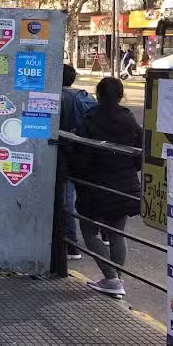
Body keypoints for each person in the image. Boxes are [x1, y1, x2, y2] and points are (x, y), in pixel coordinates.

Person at [73, 77, 142, 298]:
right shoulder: (130, 119)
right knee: (116, 233)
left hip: (95, 185)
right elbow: (139, 154)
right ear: (121, 96)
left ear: (98, 95)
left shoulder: (90, 118)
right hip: (125, 184)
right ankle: (116, 280)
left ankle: (111, 278)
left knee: (89, 230)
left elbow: (81, 154)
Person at [60, 64, 98, 259]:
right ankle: (102, 232)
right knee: (87, 197)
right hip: (86, 155)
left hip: (66, 155)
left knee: (66, 199)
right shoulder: (86, 97)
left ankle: (71, 244)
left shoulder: (60, 97)